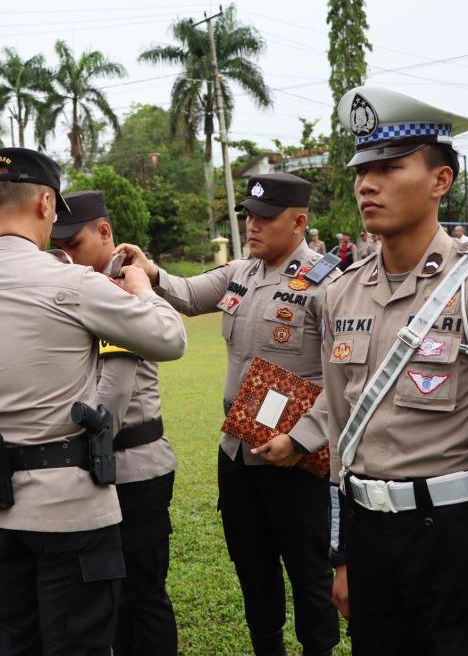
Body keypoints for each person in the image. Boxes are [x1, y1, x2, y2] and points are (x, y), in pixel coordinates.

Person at [0, 147, 187, 655]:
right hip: (72, 507)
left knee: (19, 639)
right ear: (47, 204)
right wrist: (141, 287)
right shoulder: (75, 284)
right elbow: (170, 338)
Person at [325, 85, 468, 655]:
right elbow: (338, 437)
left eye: (390, 168)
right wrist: (342, 555)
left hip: (449, 539)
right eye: (361, 170)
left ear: (440, 181)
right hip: (369, 537)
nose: (366, 184)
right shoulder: (341, 294)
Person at [117, 172, 340, 656]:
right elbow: (190, 295)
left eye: (265, 217)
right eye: (248, 216)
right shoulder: (243, 271)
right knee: (253, 569)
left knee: (309, 572)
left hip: (296, 461)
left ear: (299, 222)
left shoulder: (328, 285)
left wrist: (301, 439)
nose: (252, 226)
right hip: (238, 454)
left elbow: (344, 379)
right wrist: (150, 273)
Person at [50, 190, 179, 656]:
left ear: (105, 233)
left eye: (75, 244)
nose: (67, 257)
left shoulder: (120, 290)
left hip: (132, 466)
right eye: (57, 247)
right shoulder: (84, 287)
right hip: (110, 464)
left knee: (141, 597)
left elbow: (112, 399)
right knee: (115, 597)